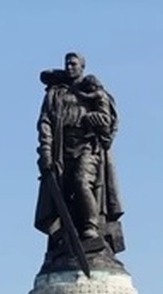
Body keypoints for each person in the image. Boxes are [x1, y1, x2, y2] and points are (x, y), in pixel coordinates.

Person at [33, 52, 124, 261]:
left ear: (82, 67)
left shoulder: (93, 90)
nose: (69, 66)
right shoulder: (55, 93)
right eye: (67, 63)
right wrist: (46, 151)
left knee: (82, 181)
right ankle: (67, 236)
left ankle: (90, 228)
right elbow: (45, 122)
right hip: (61, 150)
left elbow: (108, 123)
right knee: (63, 194)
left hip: (87, 146)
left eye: (74, 63)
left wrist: (97, 121)